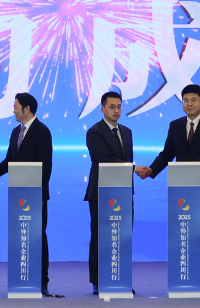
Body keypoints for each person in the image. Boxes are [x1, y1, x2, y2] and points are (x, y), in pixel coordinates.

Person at [136, 84, 200, 294]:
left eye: (194, 100)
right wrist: (151, 170)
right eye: (186, 100)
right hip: (181, 190)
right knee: (183, 235)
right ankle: (184, 275)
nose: (189, 104)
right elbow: (167, 153)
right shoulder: (175, 125)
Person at [0, 93, 56, 296]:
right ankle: (22, 278)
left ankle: (41, 282)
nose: (13, 110)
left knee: (37, 237)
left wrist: (40, 193)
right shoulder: (16, 131)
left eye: (16, 106)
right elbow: (9, 161)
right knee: (21, 236)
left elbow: (46, 166)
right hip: (18, 194)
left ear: (27, 108)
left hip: (35, 196)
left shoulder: (42, 131)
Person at [85, 91, 133, 295]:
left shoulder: (127, 132)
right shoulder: (94, 132)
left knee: (123, 236)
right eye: (112, 107)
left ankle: (121, 278)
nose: (116, 110)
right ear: (102, 108)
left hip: (123, 192)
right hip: (101, 192)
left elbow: (126, 159)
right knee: (100, 236)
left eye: (119, 107)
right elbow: (106, 159)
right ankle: (99, 280)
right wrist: (135, 168)